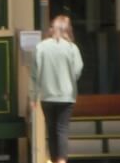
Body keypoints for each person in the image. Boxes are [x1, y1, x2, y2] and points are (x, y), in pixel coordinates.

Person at [32, 14, 84, 163]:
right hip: (66, 96)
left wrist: (33, 95)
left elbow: (35, 72)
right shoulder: (72, 48)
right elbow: (77, 71)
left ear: (52, 29)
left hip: (47, 96)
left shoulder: (41, 47)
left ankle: (54, 159)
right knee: (62, 129)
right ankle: (61, 161)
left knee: (51, 130)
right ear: (68, 30)